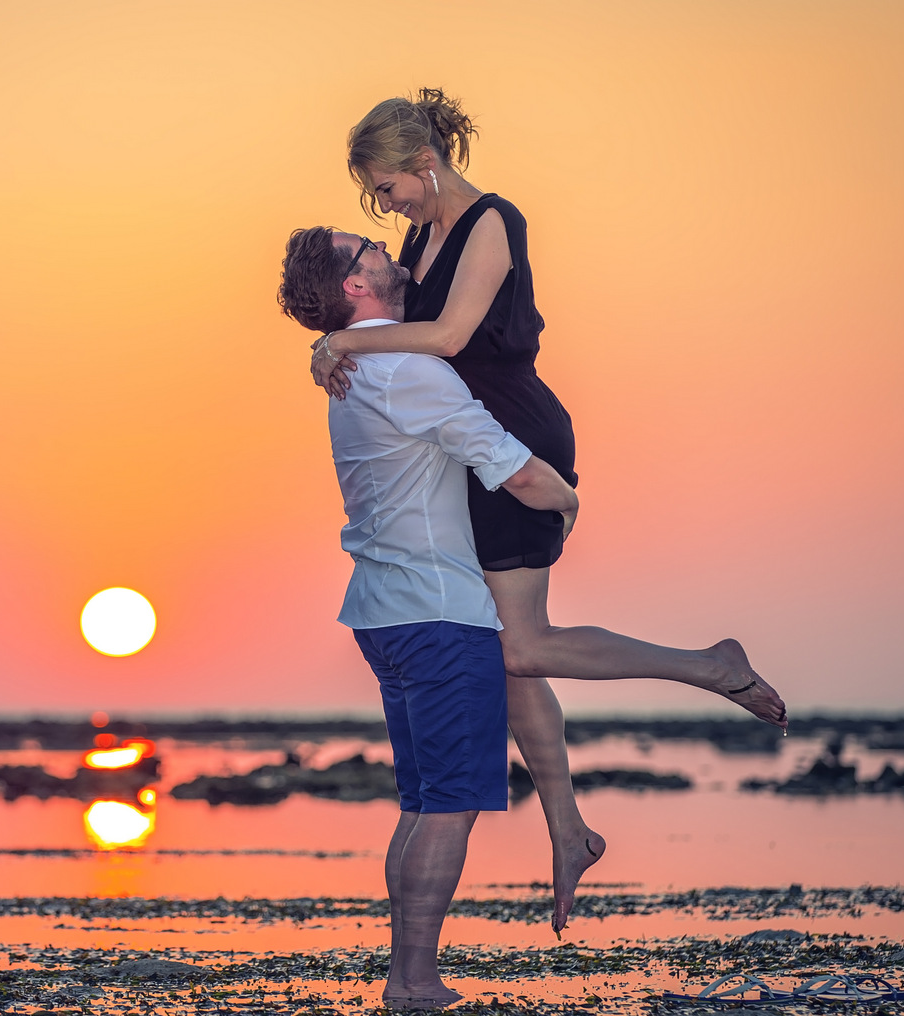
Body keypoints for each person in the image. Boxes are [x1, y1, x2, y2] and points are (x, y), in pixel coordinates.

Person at [310, 90, 787, 934]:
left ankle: (710, 665)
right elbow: (409, 339)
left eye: (385, 188)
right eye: (378, 199)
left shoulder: (493, 222)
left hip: (515, 439)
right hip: (472, 446)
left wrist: (342, 341)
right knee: (508, 652)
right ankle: (568, 827)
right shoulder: (421, 237)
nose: (387, 207)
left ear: (421, 162)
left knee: (522, 645)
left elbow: (452, 337)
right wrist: (335, 341)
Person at [278, 224, 580, 1008]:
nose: (385, 246)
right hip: (442, 616)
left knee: (421, 803)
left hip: (388, 616)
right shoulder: (404, 369)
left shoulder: (353, 368)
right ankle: (411, 980)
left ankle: (406, 971)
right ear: (354, 284)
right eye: (367, 247)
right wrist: (567, 498)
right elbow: (508, 464)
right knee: (448, 807)